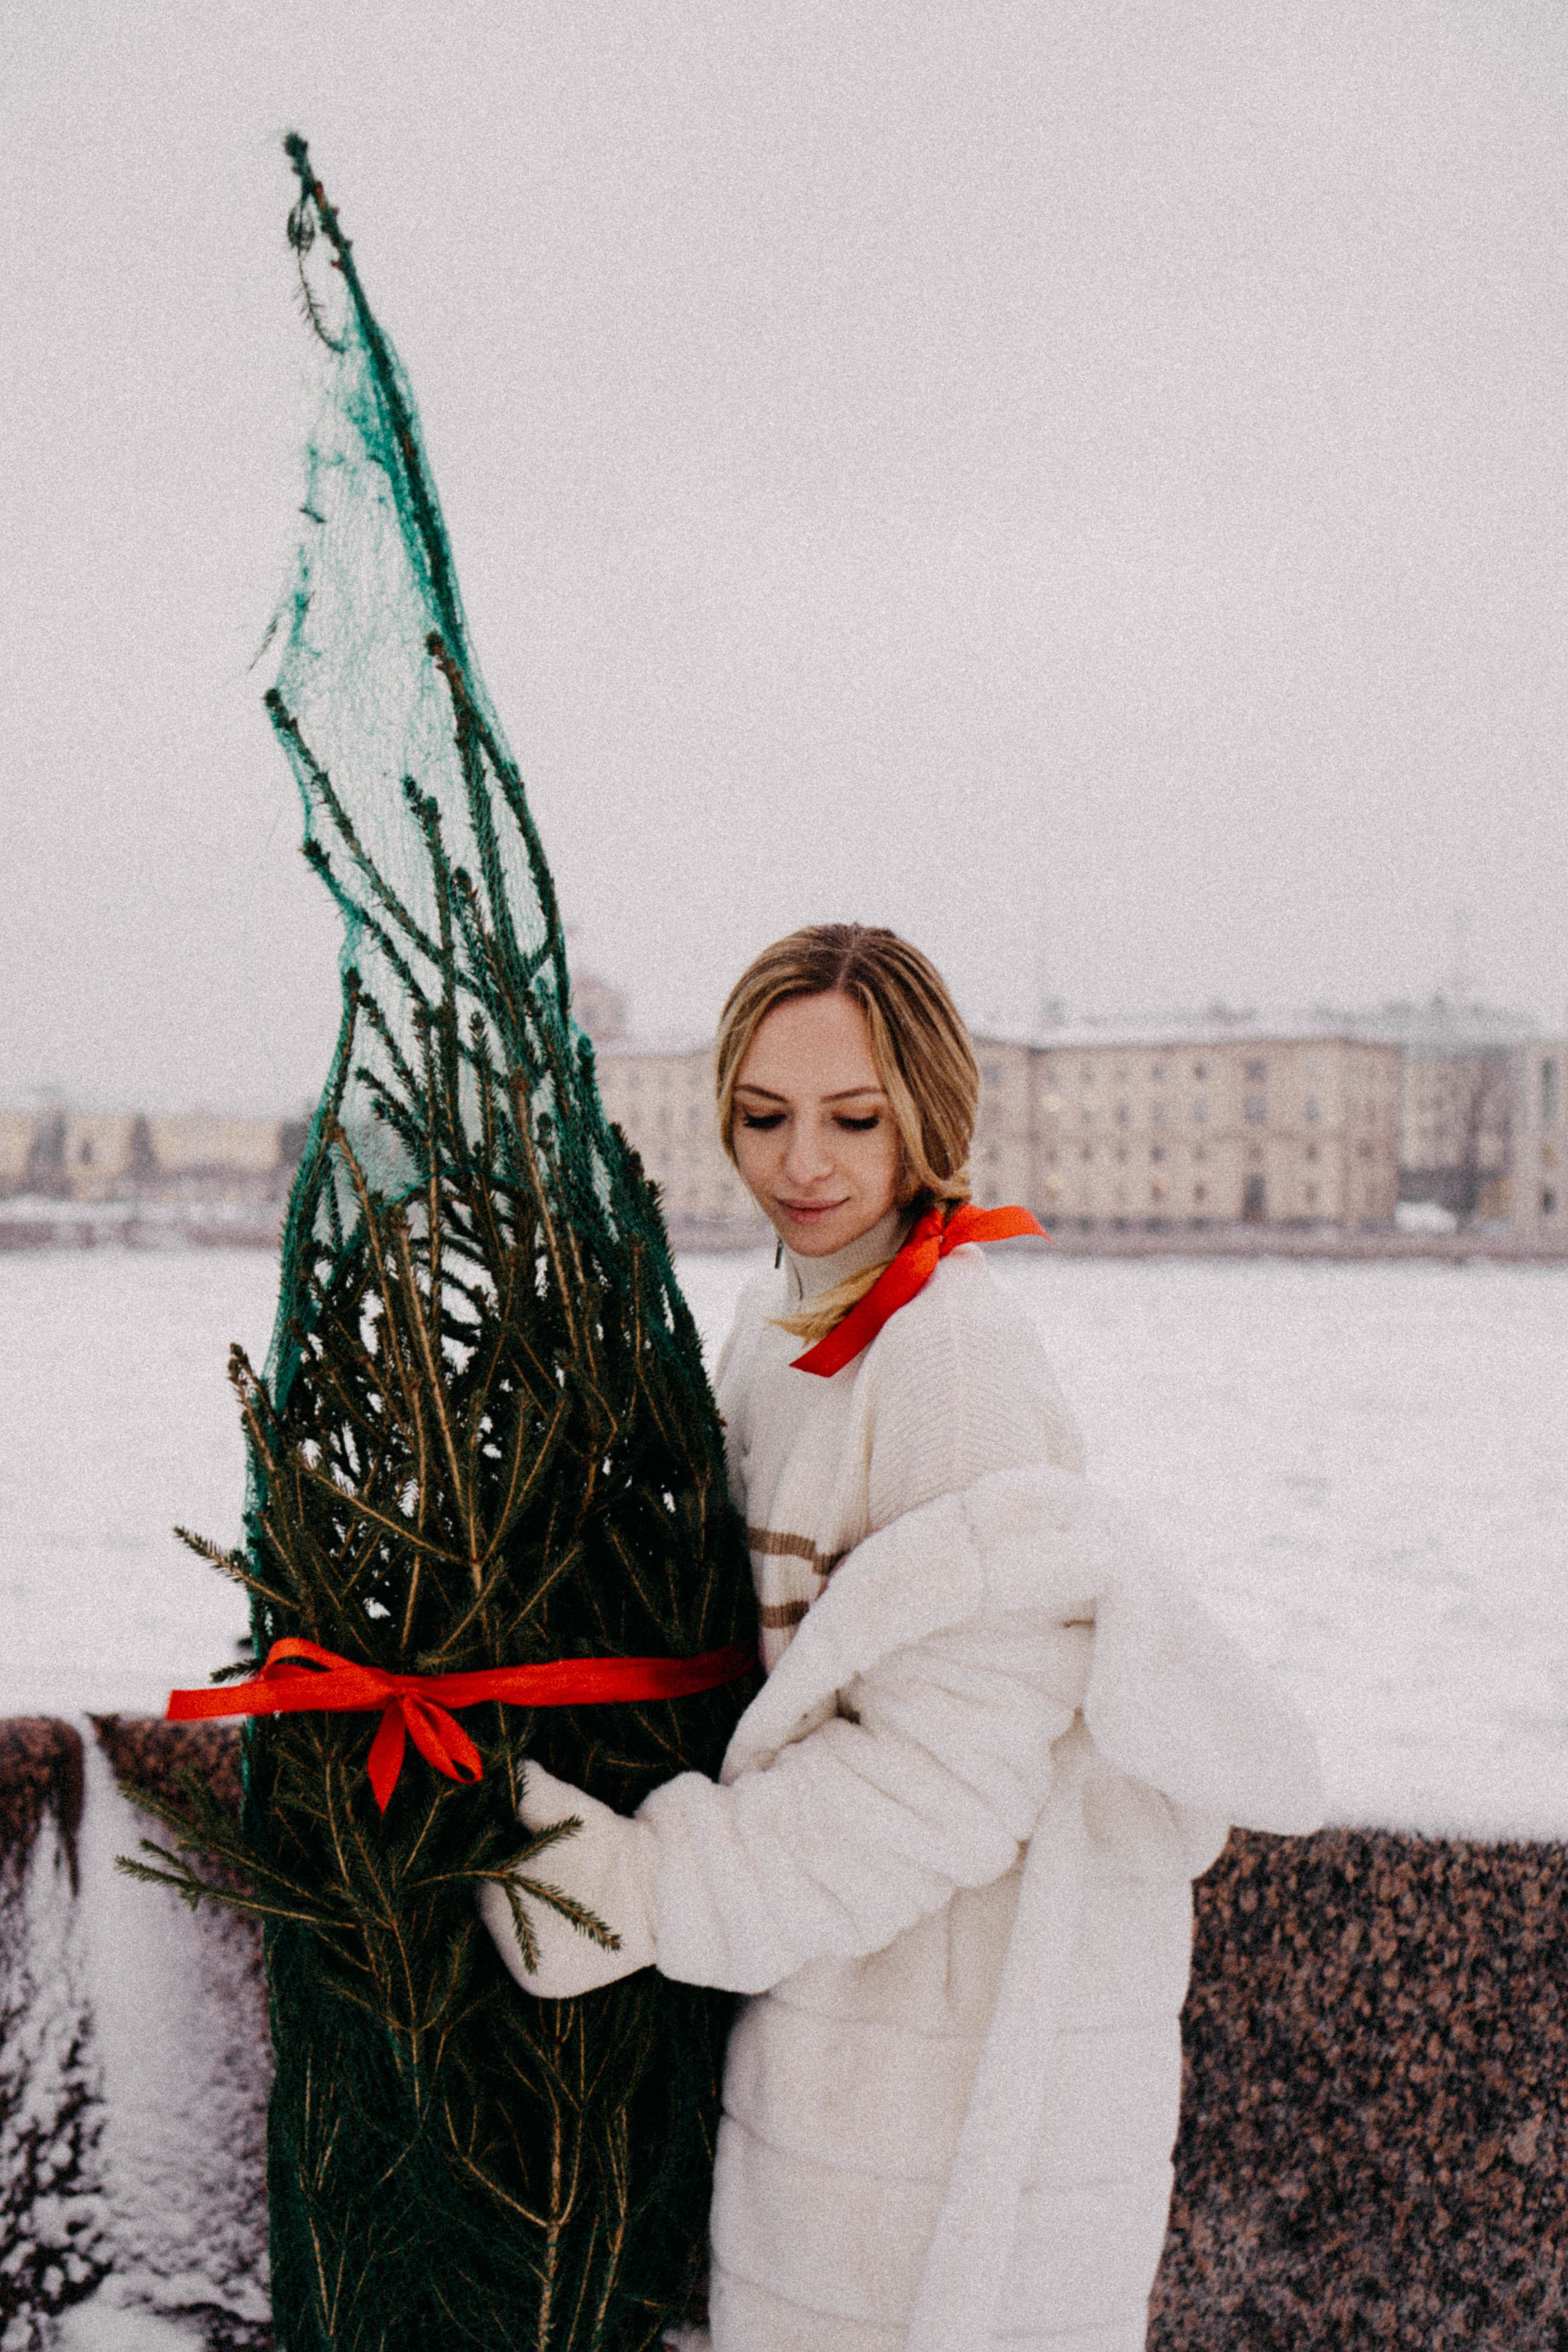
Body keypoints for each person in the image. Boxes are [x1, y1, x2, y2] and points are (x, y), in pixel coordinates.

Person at [479, 923, 1321, 2352]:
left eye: (852, 1120)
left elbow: (943, 1779)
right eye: (762, 1117)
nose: (801, 1163)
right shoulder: (787, 1319)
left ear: (925, 1117)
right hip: (850, 2007)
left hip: (935, 2058)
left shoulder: (944, 1354)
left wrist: (638, 1884)